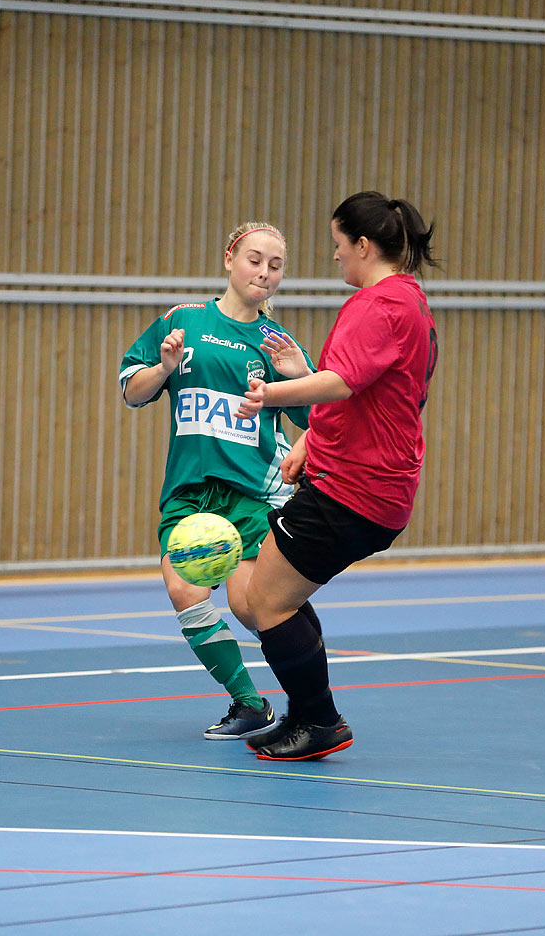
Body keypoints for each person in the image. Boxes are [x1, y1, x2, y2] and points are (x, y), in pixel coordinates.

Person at [234, 191, 439, 761]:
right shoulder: (410, 302)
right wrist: (310, 439)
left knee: (263, 601)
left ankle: (319, 720)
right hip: (364, 485)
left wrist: (273, 393)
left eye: (339, 245)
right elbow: (370, 397)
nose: (335, 257)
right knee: (268, 597)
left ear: (365, 246)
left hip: (355, 492)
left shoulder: (379, 306)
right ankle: (310, 712)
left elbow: (341, 383)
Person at [118, 221, 316, 740]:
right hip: (190, 491)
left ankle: (310, 706)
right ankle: (249, 705)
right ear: (230, 258)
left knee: (252, 608)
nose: (265, 273)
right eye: (255, 260)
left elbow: (319, 422)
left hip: (255, 493)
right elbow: (134, 393)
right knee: (183, 589)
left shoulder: (277, 343)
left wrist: (295, 375)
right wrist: (162, 368)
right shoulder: (182, 322)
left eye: (276, 266)